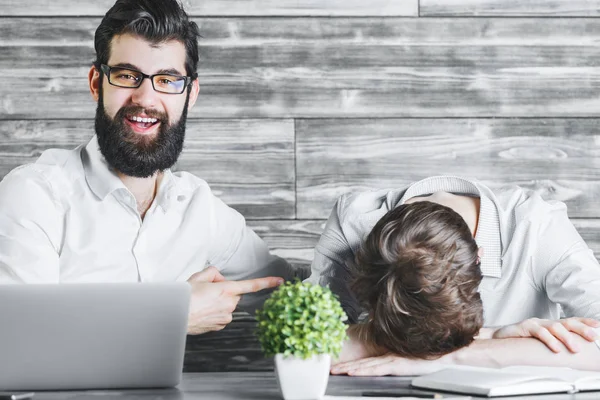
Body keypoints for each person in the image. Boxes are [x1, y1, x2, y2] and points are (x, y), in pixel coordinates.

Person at [0, 0, 294, 334]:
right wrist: (170, 315)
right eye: (127, 76)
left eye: (167, 80)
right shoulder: (36, 195)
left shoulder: (200, 209)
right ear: (97, 82)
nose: (146, 98)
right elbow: (18, 337)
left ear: (190, 94)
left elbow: (295, 296)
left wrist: (354, 224)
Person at [305, 175, 600, 374]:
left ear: (480, 258)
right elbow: (302, 345)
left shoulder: (538, 227)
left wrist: (452, 357)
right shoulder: (352, 223)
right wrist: (493, 336)